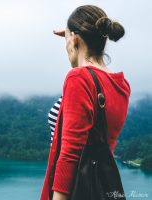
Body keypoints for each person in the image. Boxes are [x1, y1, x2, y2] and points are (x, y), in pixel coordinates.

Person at [40, 5, 131, 200]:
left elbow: (70, 155)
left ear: (74, 39)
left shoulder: (79, 78)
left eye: (67, 41)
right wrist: (71, 35)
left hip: (74, 192)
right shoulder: (121, 85)